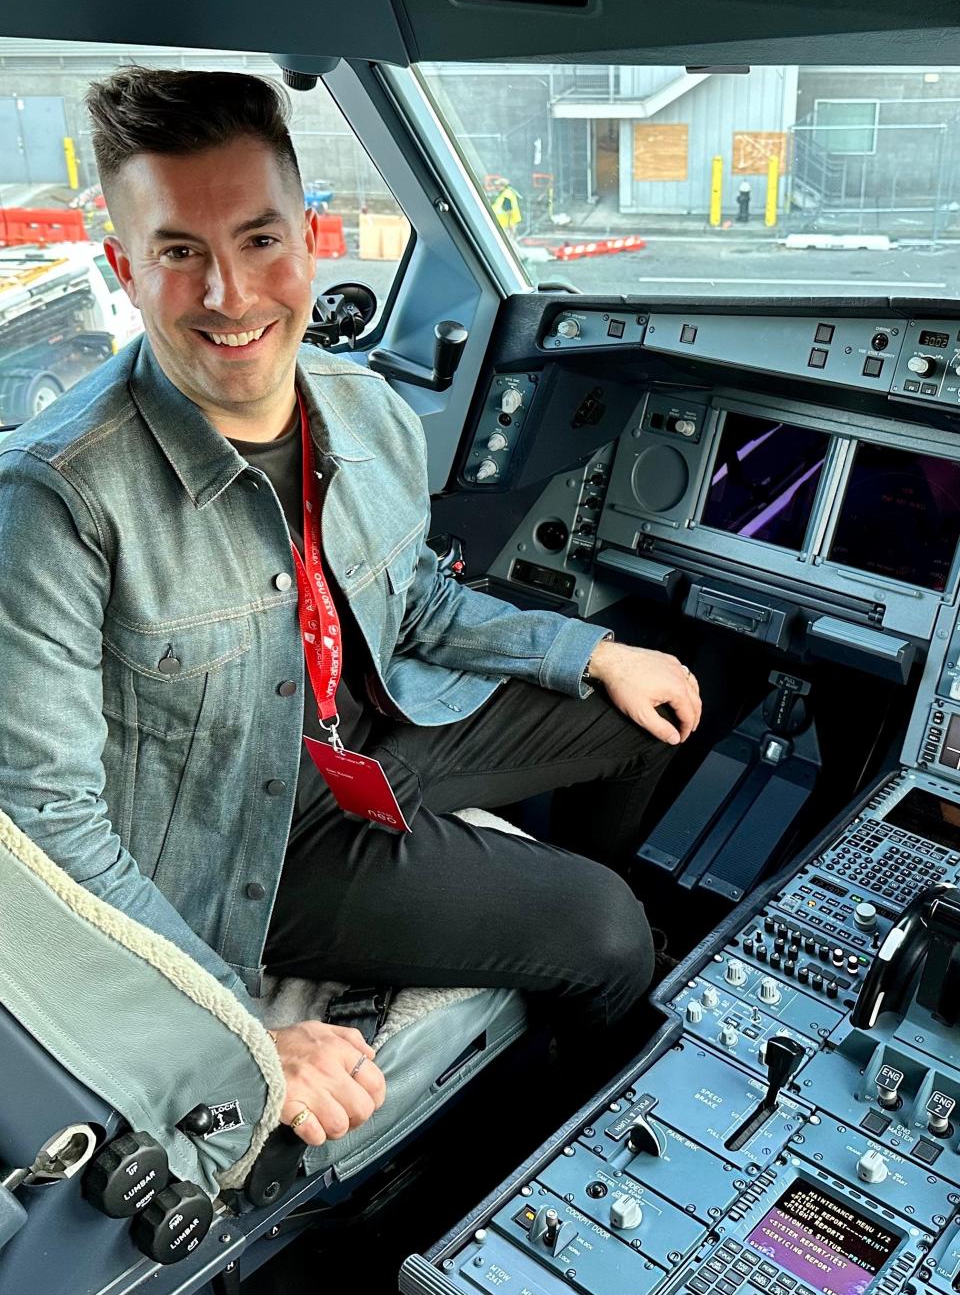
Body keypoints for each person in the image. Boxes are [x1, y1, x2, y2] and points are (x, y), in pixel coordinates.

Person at [0, 67, 701, 1153]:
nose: (231, 294)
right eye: (180, 253)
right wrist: (221, 1031)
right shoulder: (57, 499)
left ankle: (589, 969)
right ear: (124, 271)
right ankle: (563, 1097)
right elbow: (45, 831)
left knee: (649, 715)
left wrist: (592, 649)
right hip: (251, 836)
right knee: (602, 926)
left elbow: (412, 601)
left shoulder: (364, 409)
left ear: (311, 239)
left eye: (259, 240)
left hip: (371, 724)